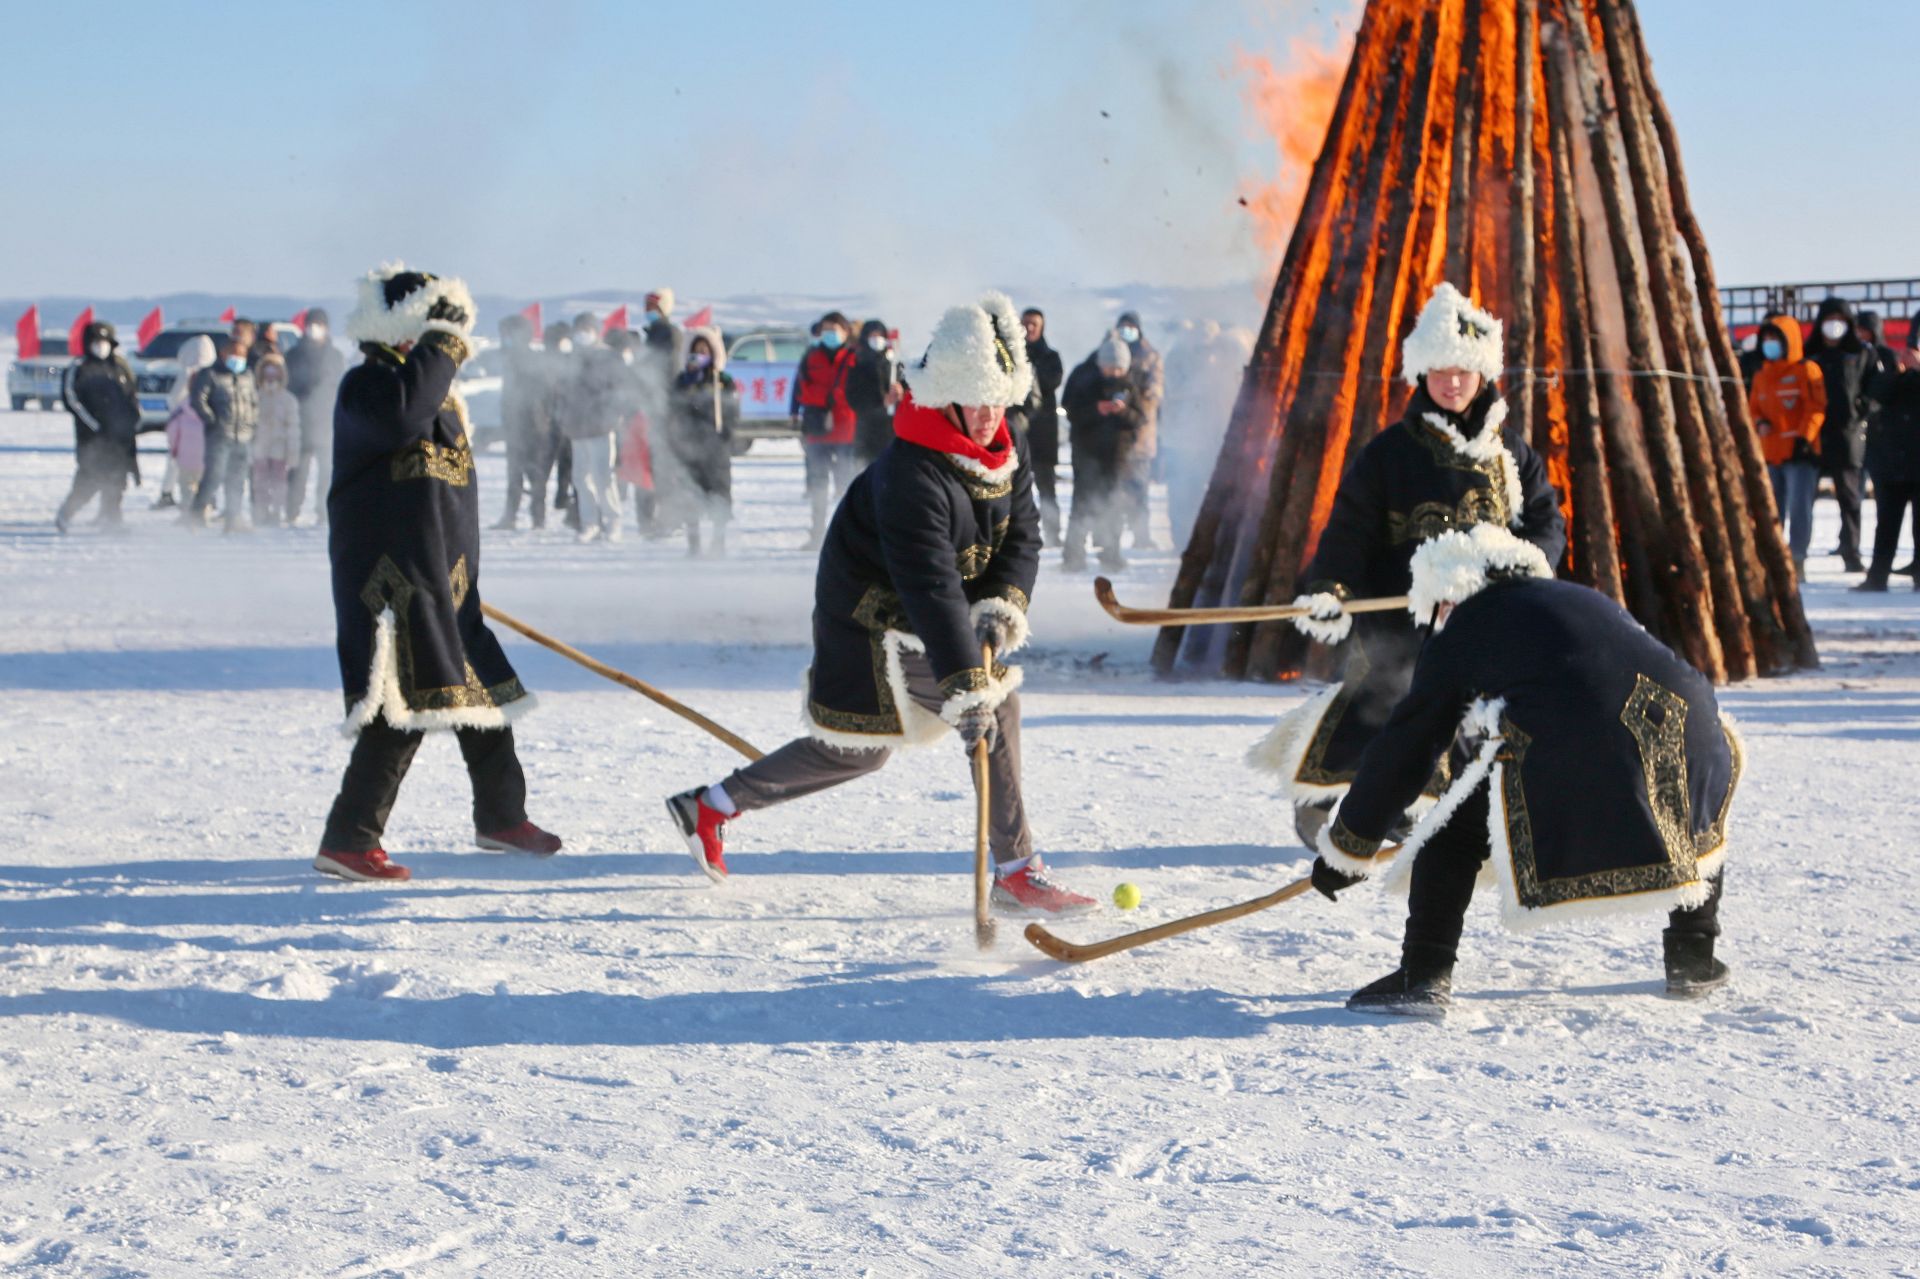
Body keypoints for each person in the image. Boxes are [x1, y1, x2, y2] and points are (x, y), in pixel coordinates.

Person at [666, 292, 1095, 914]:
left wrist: (1003, 606)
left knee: (860, 751)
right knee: (991, 705)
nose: (988, 417)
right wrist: (965, 683)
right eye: (976, 402)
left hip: (931, 614)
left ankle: (710, 806)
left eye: (998, 400)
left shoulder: (1010, 444)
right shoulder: (912, 474)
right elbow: (931, 585)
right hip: (871, 618)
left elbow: (1023, 535)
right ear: (945, 393)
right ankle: (1017, 869)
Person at [1309, 525, 1741, 1015]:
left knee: (1452, 830)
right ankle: (1693, 956)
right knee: (1692, 798)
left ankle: (1423, 974)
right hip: (1696, 729)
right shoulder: (1577, 597)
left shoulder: (1469, 621)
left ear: (1448, 593)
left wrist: (1347, 847)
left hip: (1587, 734)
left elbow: (1408, 745)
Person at [1249, 282, 1565, 853]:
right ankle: (1319, 798)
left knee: (1464, 719)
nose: (1451, 382)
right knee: (1382, 703)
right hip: (1397, 614)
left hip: (1482, 614)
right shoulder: (1390, 452)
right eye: (1440, 370)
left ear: (1481, 375)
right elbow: (1351, 525)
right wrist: (1331, 586)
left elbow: (1544, 520)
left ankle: (1409, 810)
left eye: (1462, 371)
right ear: (1422, 375)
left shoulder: (1510, 453)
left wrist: (1527, 562)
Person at [316, 262, 561, 882]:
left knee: (484, 699)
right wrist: (441, 342)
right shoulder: (368, 385)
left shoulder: (437, 403)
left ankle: (502, 817)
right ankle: (350, 838)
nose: (449, 354)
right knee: (400, 711)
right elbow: (402, 414)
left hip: (445, 584)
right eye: (435, 337)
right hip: (393, 587)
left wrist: (464, 578)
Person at [1059, 333, 1145, 572]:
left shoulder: (1129, 383)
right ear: (1100, 363)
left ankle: (1111, 554)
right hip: (1086, 452)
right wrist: (1096, 410)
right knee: (1082, 503)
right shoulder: (1082, 375)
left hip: (1117, 455)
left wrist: (1123, 412)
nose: (1114, 373)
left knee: (1113, 503)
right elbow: (1069, 409)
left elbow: (1139, 418)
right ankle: (1073, 556)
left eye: (1119, 369)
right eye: (1110, 367)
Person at [1748, 314, 1825, 577]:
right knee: (1772, 510)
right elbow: (1753, 408)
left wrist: (1805, 438)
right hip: (1770, 454)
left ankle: (1798, 559)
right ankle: (1774, 558)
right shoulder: (1762, 375)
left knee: (1799, 508)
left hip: (1799, 454)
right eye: (1766, 338)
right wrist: (1759, 424)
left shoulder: (1806, 370)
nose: (1770, 343)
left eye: (1775, 338)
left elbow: (1816, 407)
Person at [1804, 298, 1873, 572]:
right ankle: (1799, 554)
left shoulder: (1861, 353)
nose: (1834, 326)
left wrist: (1860, 410)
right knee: (1804, 498)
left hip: (1847, 437)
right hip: (1813, 437)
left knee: (1850, 499)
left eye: (1840, 320)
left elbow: (1873, 388)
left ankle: (1851, 551)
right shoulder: (1811, 354)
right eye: (1830, 319)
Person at [54, 320, 141, 533]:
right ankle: (67, 513)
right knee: (90, 477)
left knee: (118, 478)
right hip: (91, 437)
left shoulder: (120, 366)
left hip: (120, 435)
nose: (101, 346)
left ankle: (111, 517)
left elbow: (131, 394)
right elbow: (71, 399)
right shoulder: (79, 367)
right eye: (97, 341)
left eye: (105, 341)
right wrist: (94, 425)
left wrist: (133, 419)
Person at [1857, 317, 1920, 592]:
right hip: (1891, 461)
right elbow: (1875, 394)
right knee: (1886, 525)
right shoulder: (1893, 368)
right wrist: (1897, 370)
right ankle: (1877, 576)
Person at [664, 326, 739, 556]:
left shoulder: (723, 380)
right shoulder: (683, 381)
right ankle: (693, 543)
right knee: (690, 493)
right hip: (689, 444)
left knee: (719, 493)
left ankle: (719, 540)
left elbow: (732, 410)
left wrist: (726, 432)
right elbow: (673, 409)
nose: (700, 354)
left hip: (715, 446)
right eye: (696, 350)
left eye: (705, 349)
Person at [791, 311, 858, 546]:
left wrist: (831, 397)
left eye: (834, 329)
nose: (830, 334)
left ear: (846, 331)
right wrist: (828, 397)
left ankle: (846, 537)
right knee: (818, 485)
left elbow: (859, 392)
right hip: (818, 431)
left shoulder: (853, 357)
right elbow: (801, 390)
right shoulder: (811, 357)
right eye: (826, 330)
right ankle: (817, 534)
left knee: (846, 487)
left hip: (847, 431)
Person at [562, 321, 632, 544]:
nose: (582, 335)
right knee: (581, 479)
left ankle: (613, 522)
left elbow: (621, 389)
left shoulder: (609, 357)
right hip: (577, 426)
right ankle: (589, 523)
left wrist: (615, 415)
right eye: (580, 331)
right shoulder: (572, 357)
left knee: (603, 477)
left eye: (587, 330)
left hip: (601, 425)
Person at [186, 339, 260, 532]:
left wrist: (253, 424)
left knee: (237, 479)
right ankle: (195, 514)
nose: (238, 359)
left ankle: (233, 518)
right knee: (214, 476)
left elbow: (254, 402)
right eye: (234, 354)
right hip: (220, 436)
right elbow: (198, 400)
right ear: (223, 354)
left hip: (243, 436)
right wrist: (212, 420)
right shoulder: (210, 374)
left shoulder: (248, 376)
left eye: (242, 355)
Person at [284, 308, 346, 527]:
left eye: (318, 325)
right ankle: (292, 510)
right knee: (298, 472)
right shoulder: (293, 355)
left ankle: (325, 511)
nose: (314, 329)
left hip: (326, 423)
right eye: (311, 324)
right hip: (300, 422)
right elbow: (287, 386)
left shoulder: (335, 356)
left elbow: (339, 387)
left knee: (327, 473)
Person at [1113, 310, 1164, 551]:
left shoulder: (1150, 357)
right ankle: (1110, 535)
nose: (1127, 331)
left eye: (1131, 326)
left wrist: (1132, 398)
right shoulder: (1110, 350)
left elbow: (1155, 394)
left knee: (1139, 488)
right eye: (1123, 327)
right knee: (1115, 488)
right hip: (1116, 434)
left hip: (1141, 434)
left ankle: (1141, 534)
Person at [490, 313, 542, 530]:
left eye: (507, 334)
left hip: (530, 426)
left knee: (533, 472)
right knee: (515, 473)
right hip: (514, 425)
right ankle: (511, 516)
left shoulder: (529, 360)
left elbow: (537, 396)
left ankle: (537, 517)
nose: (504, 338)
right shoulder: (511, 358)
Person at [1020, 308, 1066, 545]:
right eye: (1026, 323)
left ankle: (1053, 533)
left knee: (1047, 489)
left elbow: (1053, 380)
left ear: (1041, 327)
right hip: (1018, 432)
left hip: (1044, 432)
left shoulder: (1051, 357)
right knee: (1015, 490)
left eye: (1034, 324)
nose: (1029, 328)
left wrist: (1031, 372)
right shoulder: (1011, 356)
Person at [164, 337, 214, 515]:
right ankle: (203, 511)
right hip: (206, 450)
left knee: (186, 485)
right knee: (203, 484)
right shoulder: (213, 376)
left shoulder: (188, 377)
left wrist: (174, 446)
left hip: (185, 449)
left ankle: (189, 514)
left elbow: (173, 404)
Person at [251, 352, 300, 527]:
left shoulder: (288, 400)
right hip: (259, 446)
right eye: (267, 373)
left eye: (275, 373)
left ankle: (276, 512)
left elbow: (293, 428)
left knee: (279, 483)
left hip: (280, 448)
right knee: (260, 482)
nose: (271, 378)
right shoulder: (255, 397)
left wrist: (293, 452)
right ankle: (260, 512)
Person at [845, 319, 900, 468]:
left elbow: (909, 396)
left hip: (892, 433)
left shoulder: (895, 366)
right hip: (867, 434)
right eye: (872, 336)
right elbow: (854, 400)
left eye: (880, 335)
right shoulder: (858, 368)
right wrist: (881, 404)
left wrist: (900, 395)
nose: (877, 339)